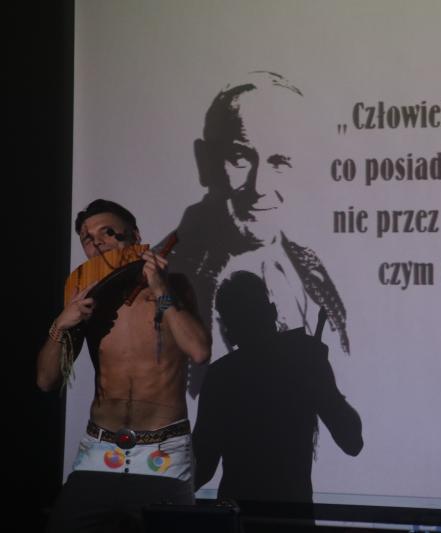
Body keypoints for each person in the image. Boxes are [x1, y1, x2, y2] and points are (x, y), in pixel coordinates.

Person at [168, 72, 349, 398]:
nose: (260, 187)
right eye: (240, 157)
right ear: (205, 161)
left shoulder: (310, 267)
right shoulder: (166, 277)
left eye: (280, 161)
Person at [38, 199, 211, 532]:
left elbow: (199, 350)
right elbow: (46, 381)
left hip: (164, 453)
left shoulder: (175, 287)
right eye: (87, 239)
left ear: (134, 235)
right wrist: (62, 323)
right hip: (100, 450)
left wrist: (160, 287)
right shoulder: (85, 299)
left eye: (107, 232)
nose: (97, 243)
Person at [193, 271, 362, 509]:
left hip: (238, 516)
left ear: (229, 332)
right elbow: (352, 440)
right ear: (271, 312)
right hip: (292, 516)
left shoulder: (220, 376)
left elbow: (202, 466)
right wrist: (322, 380)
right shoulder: (304, 360)